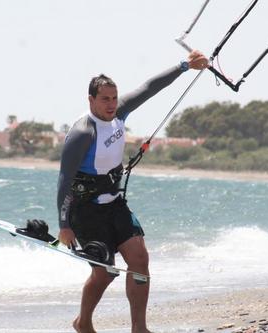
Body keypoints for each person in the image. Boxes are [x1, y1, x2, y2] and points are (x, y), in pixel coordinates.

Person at [57, 50, 208, 333]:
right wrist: (64, 224)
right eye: (105, 99)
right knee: (105, 273)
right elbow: (64, 179)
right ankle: (83, 322)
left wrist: (185, 65)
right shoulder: (82, 133)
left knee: (139, 259)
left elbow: (150, 87)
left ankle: (139, 328)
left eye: (114, 98)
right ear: (91, 100)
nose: (112, 104)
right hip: (85, 209)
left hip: (114, 203)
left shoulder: (119, 112)